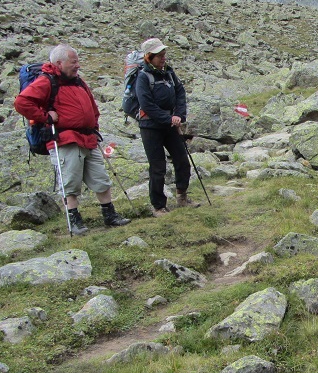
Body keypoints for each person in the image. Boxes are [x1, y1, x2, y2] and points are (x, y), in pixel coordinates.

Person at [15, 44, 130, 235]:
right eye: (73, 62)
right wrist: (45, 116)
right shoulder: (46, 81)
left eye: (77, 61)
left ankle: (110, 215)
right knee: (69, 183)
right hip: (65, 139)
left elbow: (92, 105)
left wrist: (94, 124)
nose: (78, 65)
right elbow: (21, 102)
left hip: (88, 137)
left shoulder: (77, 81)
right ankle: (74, 221)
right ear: (59, 63)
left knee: (101, 178)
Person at [135, 37, 200, 216]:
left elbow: (180, 92)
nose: (163, 58)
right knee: (158, 166)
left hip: (170, 124)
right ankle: (158, 206)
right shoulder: (142, 77)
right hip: (150, 126)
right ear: (149, 57)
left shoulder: (169, 73)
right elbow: (147, 105)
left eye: (164, 54)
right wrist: (169, 118)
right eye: (159, 55)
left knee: (182, 160)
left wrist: (178, 115)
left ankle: (182, 197)